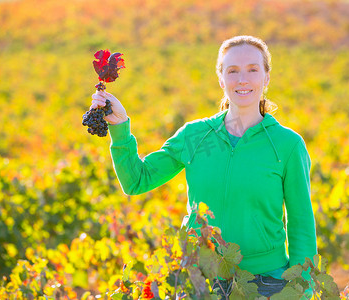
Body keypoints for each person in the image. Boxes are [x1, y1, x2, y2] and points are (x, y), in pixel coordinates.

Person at [90, 35, 317, 298]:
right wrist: (119, 127)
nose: (242, 79)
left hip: (267, 283)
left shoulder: (288, 145)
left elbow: (300, 223)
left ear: (266, 77)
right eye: (232, 71)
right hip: (201, 280)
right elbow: (136, 180)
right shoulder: (195, 136)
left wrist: (302, 289)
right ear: (221, 79)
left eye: (252, 70)